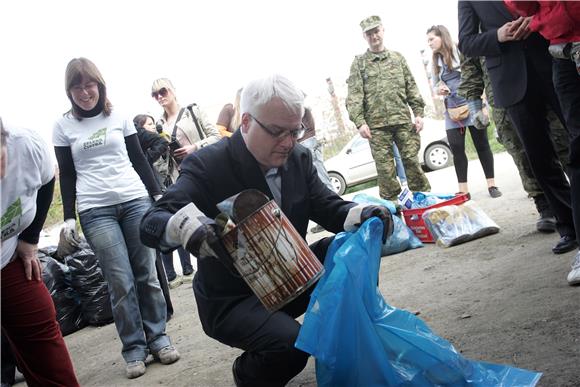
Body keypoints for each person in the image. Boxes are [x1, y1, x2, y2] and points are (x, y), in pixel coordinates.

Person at [140, 74, 394, 386]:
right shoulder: (208, 165)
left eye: (295, 130)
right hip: (233, 300)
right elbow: (152, 222)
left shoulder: (299, 157)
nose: (289, 142)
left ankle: (355, 346)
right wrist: (192, 230)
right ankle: (247, 375)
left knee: (344, 251)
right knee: (290, 345)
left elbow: (328, 206)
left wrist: (363, 214)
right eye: (277, 132)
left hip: (291, 280)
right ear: (245, 122)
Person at [53, 58, 180, 379]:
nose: (85, 92)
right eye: (77, 86)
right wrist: (69, 218)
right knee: (120, 282)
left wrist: (157, 196)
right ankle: (134, 348)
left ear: (99, 84)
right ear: (69, 91)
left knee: (147, 275)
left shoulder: (118, 115)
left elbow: (138, 158)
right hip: (95, 210)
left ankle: (159, 338)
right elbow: (66, 174)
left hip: (134, 200)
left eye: (89, 84)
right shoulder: (63, 126)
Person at [458, 2, 577, 256]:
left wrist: (536, 21)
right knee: (539, 157)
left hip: (553, 60)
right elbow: (466, 42)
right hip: (510, 79)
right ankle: (568, 227)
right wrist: (498, 35)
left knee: (575, 141)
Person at [503, 0, 580, 284]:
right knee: (562, 154)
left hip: (557, 52)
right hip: (554, 57)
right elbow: (525, 6)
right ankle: (572, 233)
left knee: (570, 146)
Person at [1, 118, 80, 386]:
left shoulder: (26, 144)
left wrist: (29, 239)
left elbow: (47, 182)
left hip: (9, 258)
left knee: (41, 332)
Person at [458, 55, 570, 232]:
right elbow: (470, 64)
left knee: (564, 143)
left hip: (544, 83)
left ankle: (572, 204)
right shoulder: (476, 28)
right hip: (504, 96)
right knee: (524, 153)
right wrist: (474, 104)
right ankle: (545, 206)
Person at [346, 15, 431, 203]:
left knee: (411, 162)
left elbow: (411, 86)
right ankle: (394, 209)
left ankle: (424, 201)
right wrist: (359, 122)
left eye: (376, 31)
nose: (374, 36)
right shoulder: (359, 63)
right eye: (369, 34)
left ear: (383, 30)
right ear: (364, 37)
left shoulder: (397, 58)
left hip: (402, 120)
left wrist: (418, 114)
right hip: (376, 127)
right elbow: (354, 95)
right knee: (385, 171)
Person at [151, 78, 221, 284]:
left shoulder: (192, 111)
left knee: (220, 221)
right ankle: (213, 276)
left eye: (162, 91)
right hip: (181, 181)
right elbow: (162, 165)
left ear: (172, 90)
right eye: (154, 94)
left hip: (206, 174)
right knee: (199, 228)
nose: (159, 97)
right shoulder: (159, 124)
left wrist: (195, 147)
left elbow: (216, 136)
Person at [426, 25, 501, 198]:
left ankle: (492, 185)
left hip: (472, 104)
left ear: (442, 36)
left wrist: (483, 105)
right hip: (452, 111)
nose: (429, 43)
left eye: (431, 39)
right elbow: (435, 84)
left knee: (482, 145)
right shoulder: (435, 60)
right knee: (457, 148)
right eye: (428, 40)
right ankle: (463, 190)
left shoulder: (461, 50)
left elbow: (478, 74)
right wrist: (440, 88)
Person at [133, 113, 191, 289]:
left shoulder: (157, 140)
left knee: (176, 223)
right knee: (159, 229)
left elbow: (164, 145)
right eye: (148, 125)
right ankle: (170, 274)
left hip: (164, 188)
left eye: (152, 124)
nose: (152, 127)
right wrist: (146, 158)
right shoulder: (137, 142)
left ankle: (187, 269)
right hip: (147, 192)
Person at [132, 114, 175, 317]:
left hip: (144, 194)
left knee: (151, 254)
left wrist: (145, 159)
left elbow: (161, 141)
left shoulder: (131, 130)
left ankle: (164, 307)